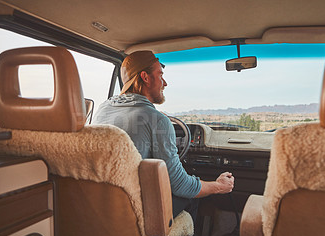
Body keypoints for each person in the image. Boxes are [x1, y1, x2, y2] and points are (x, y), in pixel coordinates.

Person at [93, 50, 234, 221]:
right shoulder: (157, 120)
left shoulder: (102, 110)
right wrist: (218, 186)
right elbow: (180, 185)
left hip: (103, 204)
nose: (165, 83)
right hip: (136, 211)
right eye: (160, 75)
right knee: (192, 198)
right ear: (145, 77)